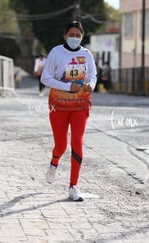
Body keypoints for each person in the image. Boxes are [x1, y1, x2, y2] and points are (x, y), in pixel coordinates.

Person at [41, 20, 97, 202]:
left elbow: (92, 75)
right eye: (71, 35)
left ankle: (73, 186)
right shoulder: (56, 52)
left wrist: (90, 85)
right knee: (61, 145)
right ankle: (54, 162)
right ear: (65, 35)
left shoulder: (87, 54)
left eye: (78, 35)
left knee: (77, 142)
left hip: (80, 104)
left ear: (82, 36)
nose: (74, 38)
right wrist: (66, 86)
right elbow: (45, 78)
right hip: (59, 103)